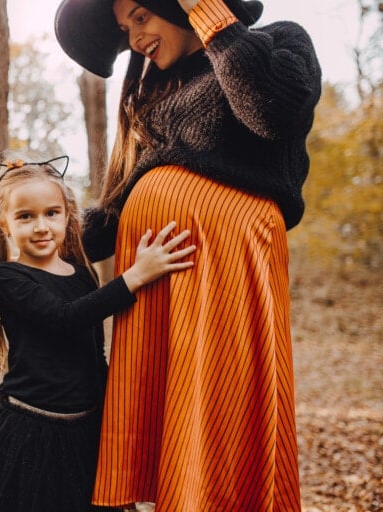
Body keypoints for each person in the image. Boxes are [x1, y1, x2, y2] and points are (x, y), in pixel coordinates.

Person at [54, 0, 322, 510]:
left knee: (216, 403)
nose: (135, 38)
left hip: (224, 262)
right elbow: (117, 210)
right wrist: (48, 234)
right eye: (124, 29)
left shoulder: (280, 41)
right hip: (153, 278)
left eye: (140, 16)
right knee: (165, 418)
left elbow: (271, 113)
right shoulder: (154, 90)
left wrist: (209, 15)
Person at [0, 151, 196, 512]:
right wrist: (136, 276)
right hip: (30, 433)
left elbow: (94, 352)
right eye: (25, 216)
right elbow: (65, 318)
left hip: (84, 433)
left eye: (51, 213)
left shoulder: (82, 273)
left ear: (68, 215)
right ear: (3, 222)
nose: (41, 226)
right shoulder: (9, 277)